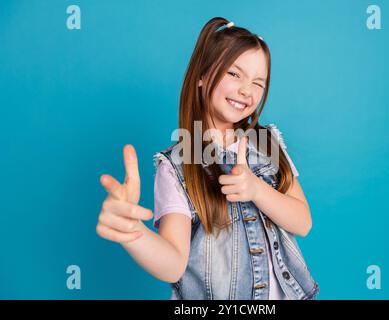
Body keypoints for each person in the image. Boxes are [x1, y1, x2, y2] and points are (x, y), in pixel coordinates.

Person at [96, 17, 319, 300]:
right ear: (202, 76)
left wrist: (256, 189)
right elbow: (173, 264)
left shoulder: (266, 142)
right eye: (234, 74)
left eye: (258, 82)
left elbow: (303, 222)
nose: (246, 90)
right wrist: (133, 233)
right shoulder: (176, 167)